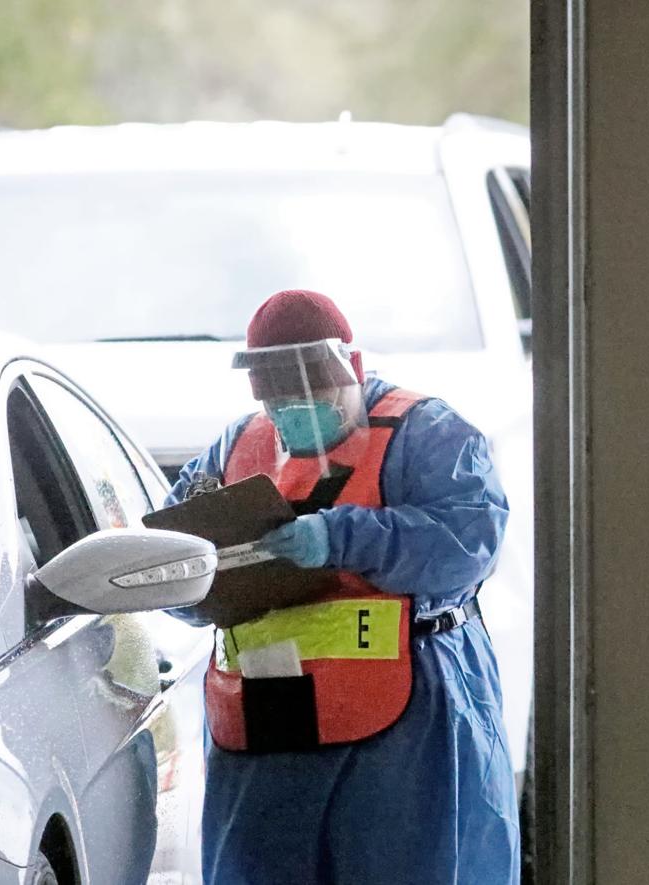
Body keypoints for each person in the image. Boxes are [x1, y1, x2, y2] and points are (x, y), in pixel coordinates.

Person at [166, 289, 520, 884]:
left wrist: (342, 538)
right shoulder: (237, 447)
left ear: (352, 370)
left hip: (409, 722)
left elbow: (467, 542)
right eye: (277, 402)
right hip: (266, 724)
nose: (291, 413)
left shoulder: (427, 434)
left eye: (308, 396)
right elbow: (176, 553)